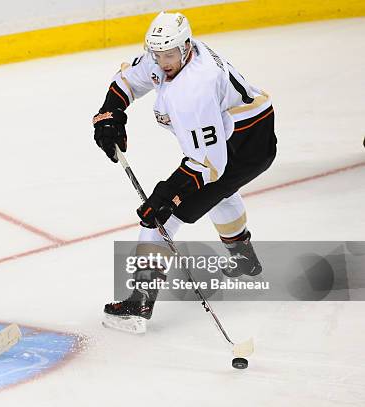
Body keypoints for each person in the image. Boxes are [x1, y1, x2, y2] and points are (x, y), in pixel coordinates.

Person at [92, 12, 277, 332]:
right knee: (220, 195)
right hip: (245, 126)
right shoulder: (169, 54)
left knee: (163, 216)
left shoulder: (195, 89)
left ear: (187, 47)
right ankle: (244, 257)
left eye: (169, 55)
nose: (163, 62)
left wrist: (167, 194)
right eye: (158, 55)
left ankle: (139, 302)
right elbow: (126, 82)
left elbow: (209, 163)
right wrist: (111, 114)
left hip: (246, 145)